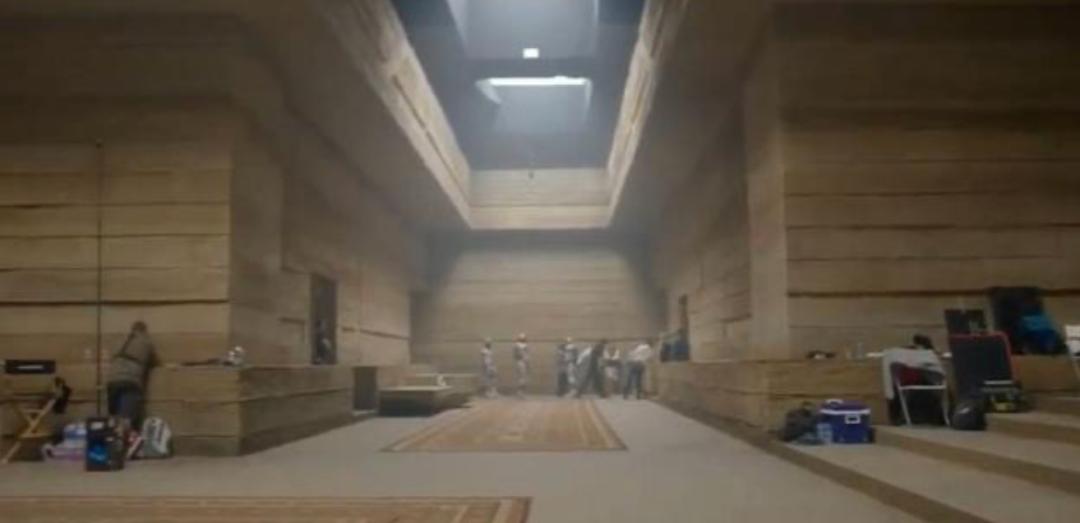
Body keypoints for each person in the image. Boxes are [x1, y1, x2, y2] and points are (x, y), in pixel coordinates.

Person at [106, 321, 159, 431]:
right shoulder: (146, 342)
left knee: (114, 417)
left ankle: (113, 436)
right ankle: (123, 438)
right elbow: (156, 362)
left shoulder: (121, 340)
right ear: (144, 331)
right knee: (126, 419)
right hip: (130, 381)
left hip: (112, 380)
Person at [512, 333, 530, 398]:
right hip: (521, 362)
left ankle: (521, 392)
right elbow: (516, 355)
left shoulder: (522, 346)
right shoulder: (518, 346)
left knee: (522, 377)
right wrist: (523, 357)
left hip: (522, 362)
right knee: (522, 378)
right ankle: (520, 392)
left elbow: (526, 355)